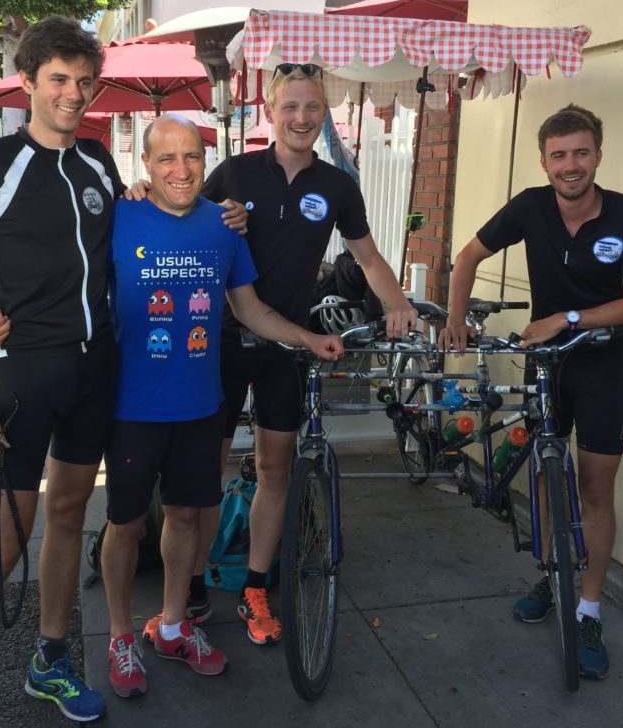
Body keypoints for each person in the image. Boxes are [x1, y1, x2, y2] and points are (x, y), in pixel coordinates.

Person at [135, 62, 419, 648]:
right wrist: (143, 192)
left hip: (286, 344)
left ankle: (256, 586)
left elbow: (367, 258)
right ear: (269, 112)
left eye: (312, 107)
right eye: (289, 107)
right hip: (216, 343)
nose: (301, 118)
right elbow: (178, 213)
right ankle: (191, 584)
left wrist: (399, 306)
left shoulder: (338, 186)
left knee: (274, 470)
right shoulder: (236, 171)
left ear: (325, 113)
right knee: (202, 473)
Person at [100, 114, 343, 698]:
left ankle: (175, 624)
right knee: (125, 525)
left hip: (200, 406)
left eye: (190, 158)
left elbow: (251, 308)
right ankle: (118, 637)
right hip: (131, 406)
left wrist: (308, 338)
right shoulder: (118, 216)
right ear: (145, 167)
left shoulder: (224, 226)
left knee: (187, 517)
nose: (180, 170)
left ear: (204, 163)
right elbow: (72, 282)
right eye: (165, 160)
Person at [0, 17, 124, 727]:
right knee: (4, 543)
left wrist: (218, 215)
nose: (74, 94)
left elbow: (132, 237)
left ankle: (51, 657)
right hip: (26, 378)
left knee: (70, 513)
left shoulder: (100, 161)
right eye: (59, 81)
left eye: (83, 82)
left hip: (97, 371)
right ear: (29, 83)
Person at [438, 104, 623, 680]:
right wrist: (456, 320)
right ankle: (553, 569)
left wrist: (566, 317)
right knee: (544, 473)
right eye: (559, 155)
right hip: (546, 368)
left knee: (595, 489)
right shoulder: (532, 206)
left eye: (581, 153)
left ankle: (588, 607)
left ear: (598, 157)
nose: (570, 165)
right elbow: (467, 257)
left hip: (602, 366)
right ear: (544, 161)